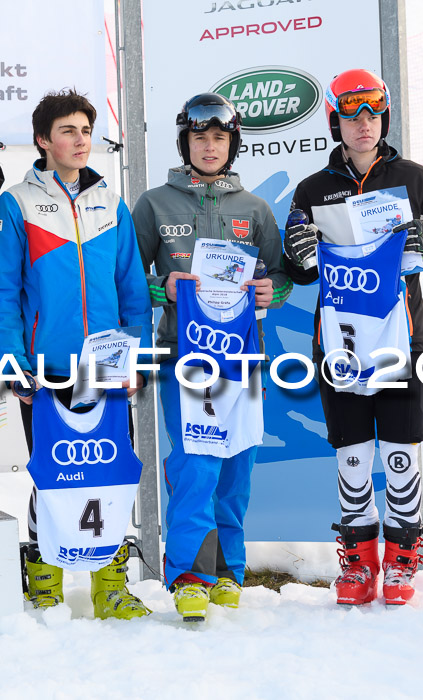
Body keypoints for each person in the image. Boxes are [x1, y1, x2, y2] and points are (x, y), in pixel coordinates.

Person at [283, 69, 423, 606]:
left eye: (373, 113)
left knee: (401, 449)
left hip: (402, 338)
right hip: (339, 343)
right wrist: (297, 248)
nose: (364, 124)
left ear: (383, 117)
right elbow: (306, 271)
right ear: (335, 120)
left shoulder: (416, 178)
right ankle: (358, 563)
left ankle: (403, 558)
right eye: (352, 114)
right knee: (353, 452)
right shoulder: (313, 188)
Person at [132, 92, 291, 621]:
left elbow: (282, 271)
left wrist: (275, 292)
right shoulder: (155, 203)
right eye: (199, 137)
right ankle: (188, 574)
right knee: (196, 462)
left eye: (219, 138)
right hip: (184, 356)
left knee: (236, 464)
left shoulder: (255, 208)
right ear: (185, 142)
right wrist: (163, 291)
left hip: (242, 359)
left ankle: (228, 570)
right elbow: (128, 279)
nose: (209, 147)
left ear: (232, 144)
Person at [0, 89, 153, 619]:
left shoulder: (112, 204)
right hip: (45, 365)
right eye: (67, 131)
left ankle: (111, 585)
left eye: (86, 130)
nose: (80, 139)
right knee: (51, 472)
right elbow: (4, 290)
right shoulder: (17, 202)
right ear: (43, 140)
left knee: (109, 474)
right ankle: (44, 581)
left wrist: (138, 357)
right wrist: (12, 358)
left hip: (107, 363)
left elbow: (132, 288)